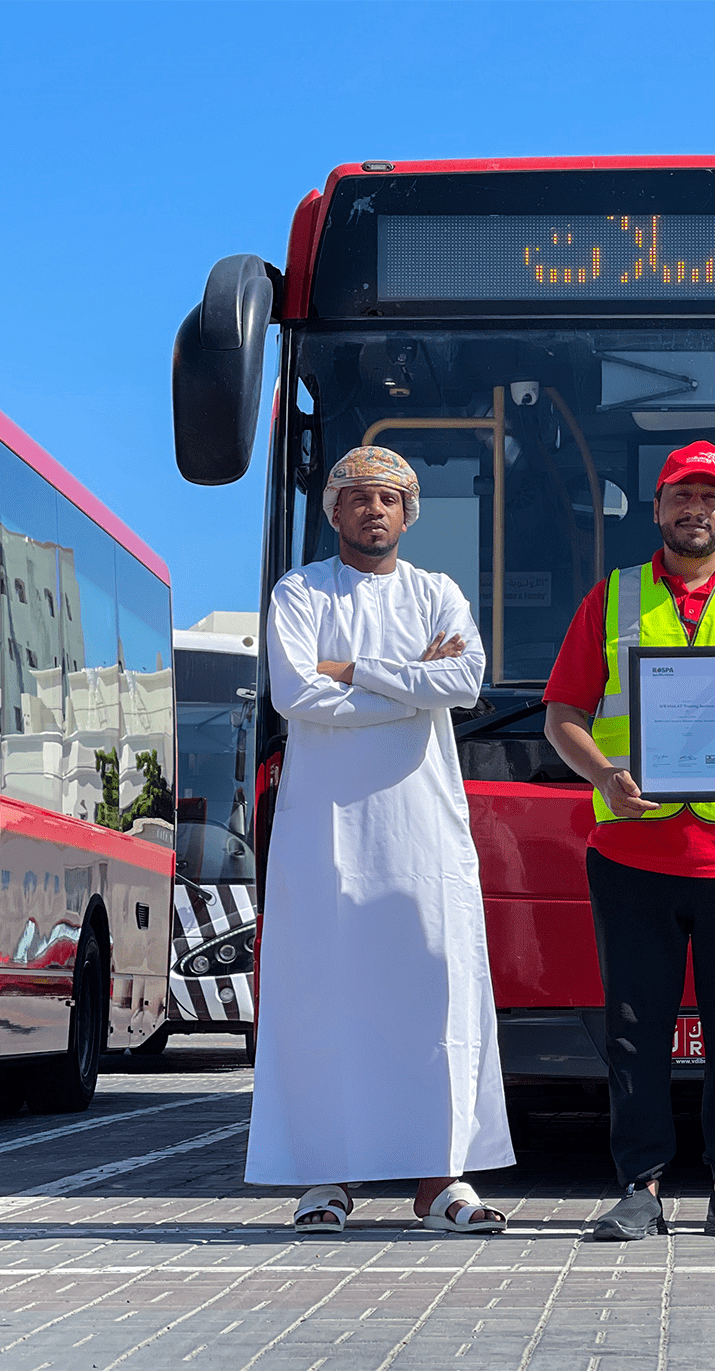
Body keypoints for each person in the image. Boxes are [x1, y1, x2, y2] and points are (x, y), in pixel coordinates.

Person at [543, 440, 715, 1241]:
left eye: (710, 497)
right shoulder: (611, 597)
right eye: (680, 495)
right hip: (635, 851)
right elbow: (562, 715)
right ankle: (641, 1187)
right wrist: (604, 776)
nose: (694, 509)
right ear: (657, 507)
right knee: (636, 1031)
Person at [246, 445, 515, 1235]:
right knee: (325, 998)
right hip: (326, 837)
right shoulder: (300, 592)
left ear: (408, 514)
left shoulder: (437, 592)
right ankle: (325, 1181)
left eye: (389, 499)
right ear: (334, 510)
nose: (374, 509)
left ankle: (441, 1181)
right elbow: (297, 694)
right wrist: (409, 686)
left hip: (422, 833)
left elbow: (463, 681)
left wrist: (354, 668)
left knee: (433, 991)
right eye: (359, 497)